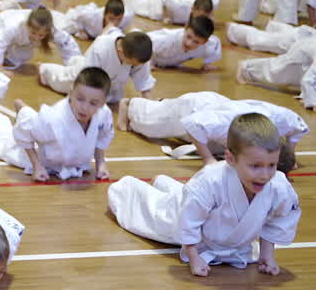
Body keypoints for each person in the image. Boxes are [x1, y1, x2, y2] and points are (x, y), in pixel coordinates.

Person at [107, 113, 300, 277]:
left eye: (272, 165)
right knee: (151, 210)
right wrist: (194, 257)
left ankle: (166, 183)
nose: (265, 175)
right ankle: (130, 187)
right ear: (230, 159)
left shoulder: (278, 186)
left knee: (193, 197)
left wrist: (267, 253)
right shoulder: (211, 179)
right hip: (183, 216)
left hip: (208, 213)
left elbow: (280, 219)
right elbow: (188, 219)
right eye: (255, 166)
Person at [117, 91, 307, 166]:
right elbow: (193, 123)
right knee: (149, 126)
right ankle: (130, 103)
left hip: (217, 112)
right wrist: (207, 159)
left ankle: (162, 104)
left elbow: (299, 127)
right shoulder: (231, 123)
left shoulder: (282, 122)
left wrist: (291, 157)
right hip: (196, 108)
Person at [0, 67, 114, 181]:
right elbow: (24, 134)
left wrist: (101, 164)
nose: (84, 107)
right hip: (44, 159)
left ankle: (25, 111)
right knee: (0, 136)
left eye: (93, 103)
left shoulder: (103, 114)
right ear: (71, 91)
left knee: (34, 120)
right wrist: (36, 166)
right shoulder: (52, 118)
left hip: (75, 162)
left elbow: (102, 137)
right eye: (80, 99)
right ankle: (19, 111)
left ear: (103, 103)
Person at [39, 29, 155, 104]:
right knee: (63, 80)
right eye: (132, 63)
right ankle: (44, 69)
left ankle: (75, 61)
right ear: (120, 51)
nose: (134, 66)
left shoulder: (137, 52)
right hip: (86, 72)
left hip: (110, 86)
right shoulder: (102, 47)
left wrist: (148, 101)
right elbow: (89, 76)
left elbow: (143, 79)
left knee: (113, 99)